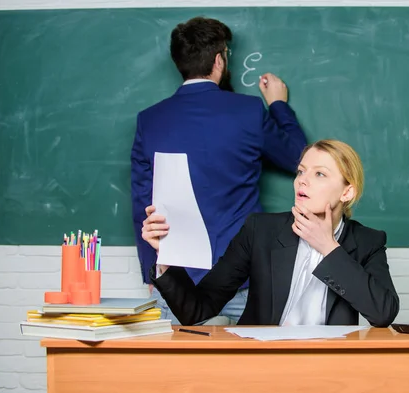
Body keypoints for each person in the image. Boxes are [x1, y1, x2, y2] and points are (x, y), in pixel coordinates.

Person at [131, 16, 307, 325]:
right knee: (250, 372)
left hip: (176, 280)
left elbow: (140, 204)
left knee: (177, 374)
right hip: (243, 280)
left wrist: (153, 270)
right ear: (219, 60)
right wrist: (278, 105)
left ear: (179, 63)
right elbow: (299, 158)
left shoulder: (149, 120)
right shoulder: (250, 112)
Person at [142, 140, 400, 327]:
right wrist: (166, 255)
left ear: (347, 193)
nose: (302, 180)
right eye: (301, 171)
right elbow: (197, 310)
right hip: (262, 363)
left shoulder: (368, 241)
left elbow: (383, 313)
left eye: (319, 174)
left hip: (328, 366)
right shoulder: (260, 230)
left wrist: (328, 248)